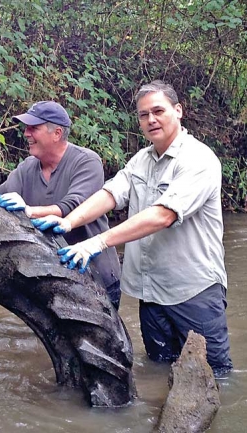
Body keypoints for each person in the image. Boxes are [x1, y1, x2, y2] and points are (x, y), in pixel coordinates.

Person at [32, 81, 232, 376]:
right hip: (150, 293)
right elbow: (111, 193)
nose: (151, 119)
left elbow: (162, 216)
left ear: (178, 111)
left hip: (194, 291)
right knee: (158, 368)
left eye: (158, 111)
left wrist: (96, 242)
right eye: (143, 114)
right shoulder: (142, 159)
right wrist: (69, 221)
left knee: (214, 375)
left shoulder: (199, 160)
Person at [0, 101, 122, 309]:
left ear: (57, 133)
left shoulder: (86, 161)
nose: (26, 133)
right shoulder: (28, 167)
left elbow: (73, 205)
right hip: (53, 278)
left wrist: (28, 211)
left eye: (34, 128)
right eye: (27, 128)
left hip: (97, 278)